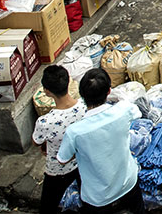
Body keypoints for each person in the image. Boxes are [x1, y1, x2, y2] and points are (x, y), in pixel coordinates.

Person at [57, 68, 143, 214]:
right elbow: (137, 113)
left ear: (81, 95)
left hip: (98, 197)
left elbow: (62, 159)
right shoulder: (123, 110)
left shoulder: (75, 132)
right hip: (128, 182)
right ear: (109, 92)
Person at [32, 66, 85, 214]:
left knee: (48, 206)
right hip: (83, 161)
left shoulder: (45, 121)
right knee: (86, 196)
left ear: (47, 91)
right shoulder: (85, 106)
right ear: (68, 82)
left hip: (58, 169)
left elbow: (36, 141)